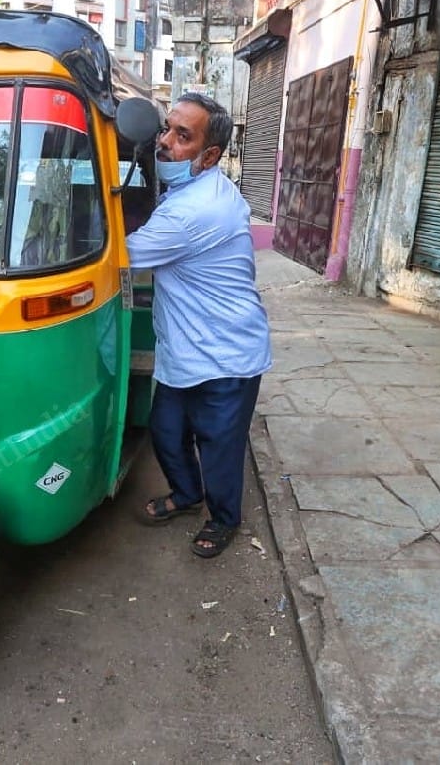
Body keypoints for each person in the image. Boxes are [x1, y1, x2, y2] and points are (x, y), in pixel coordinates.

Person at [125, 92, 272, 559]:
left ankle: (224, 518)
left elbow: (119, 256)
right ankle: (187, 495)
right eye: (166, 128)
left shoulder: (196, 211)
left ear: (210, 156)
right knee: (166, 431)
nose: (164, 142)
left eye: (182, 136)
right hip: (186, 348)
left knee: (218, 447)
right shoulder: (190, 189)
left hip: (227, 355)